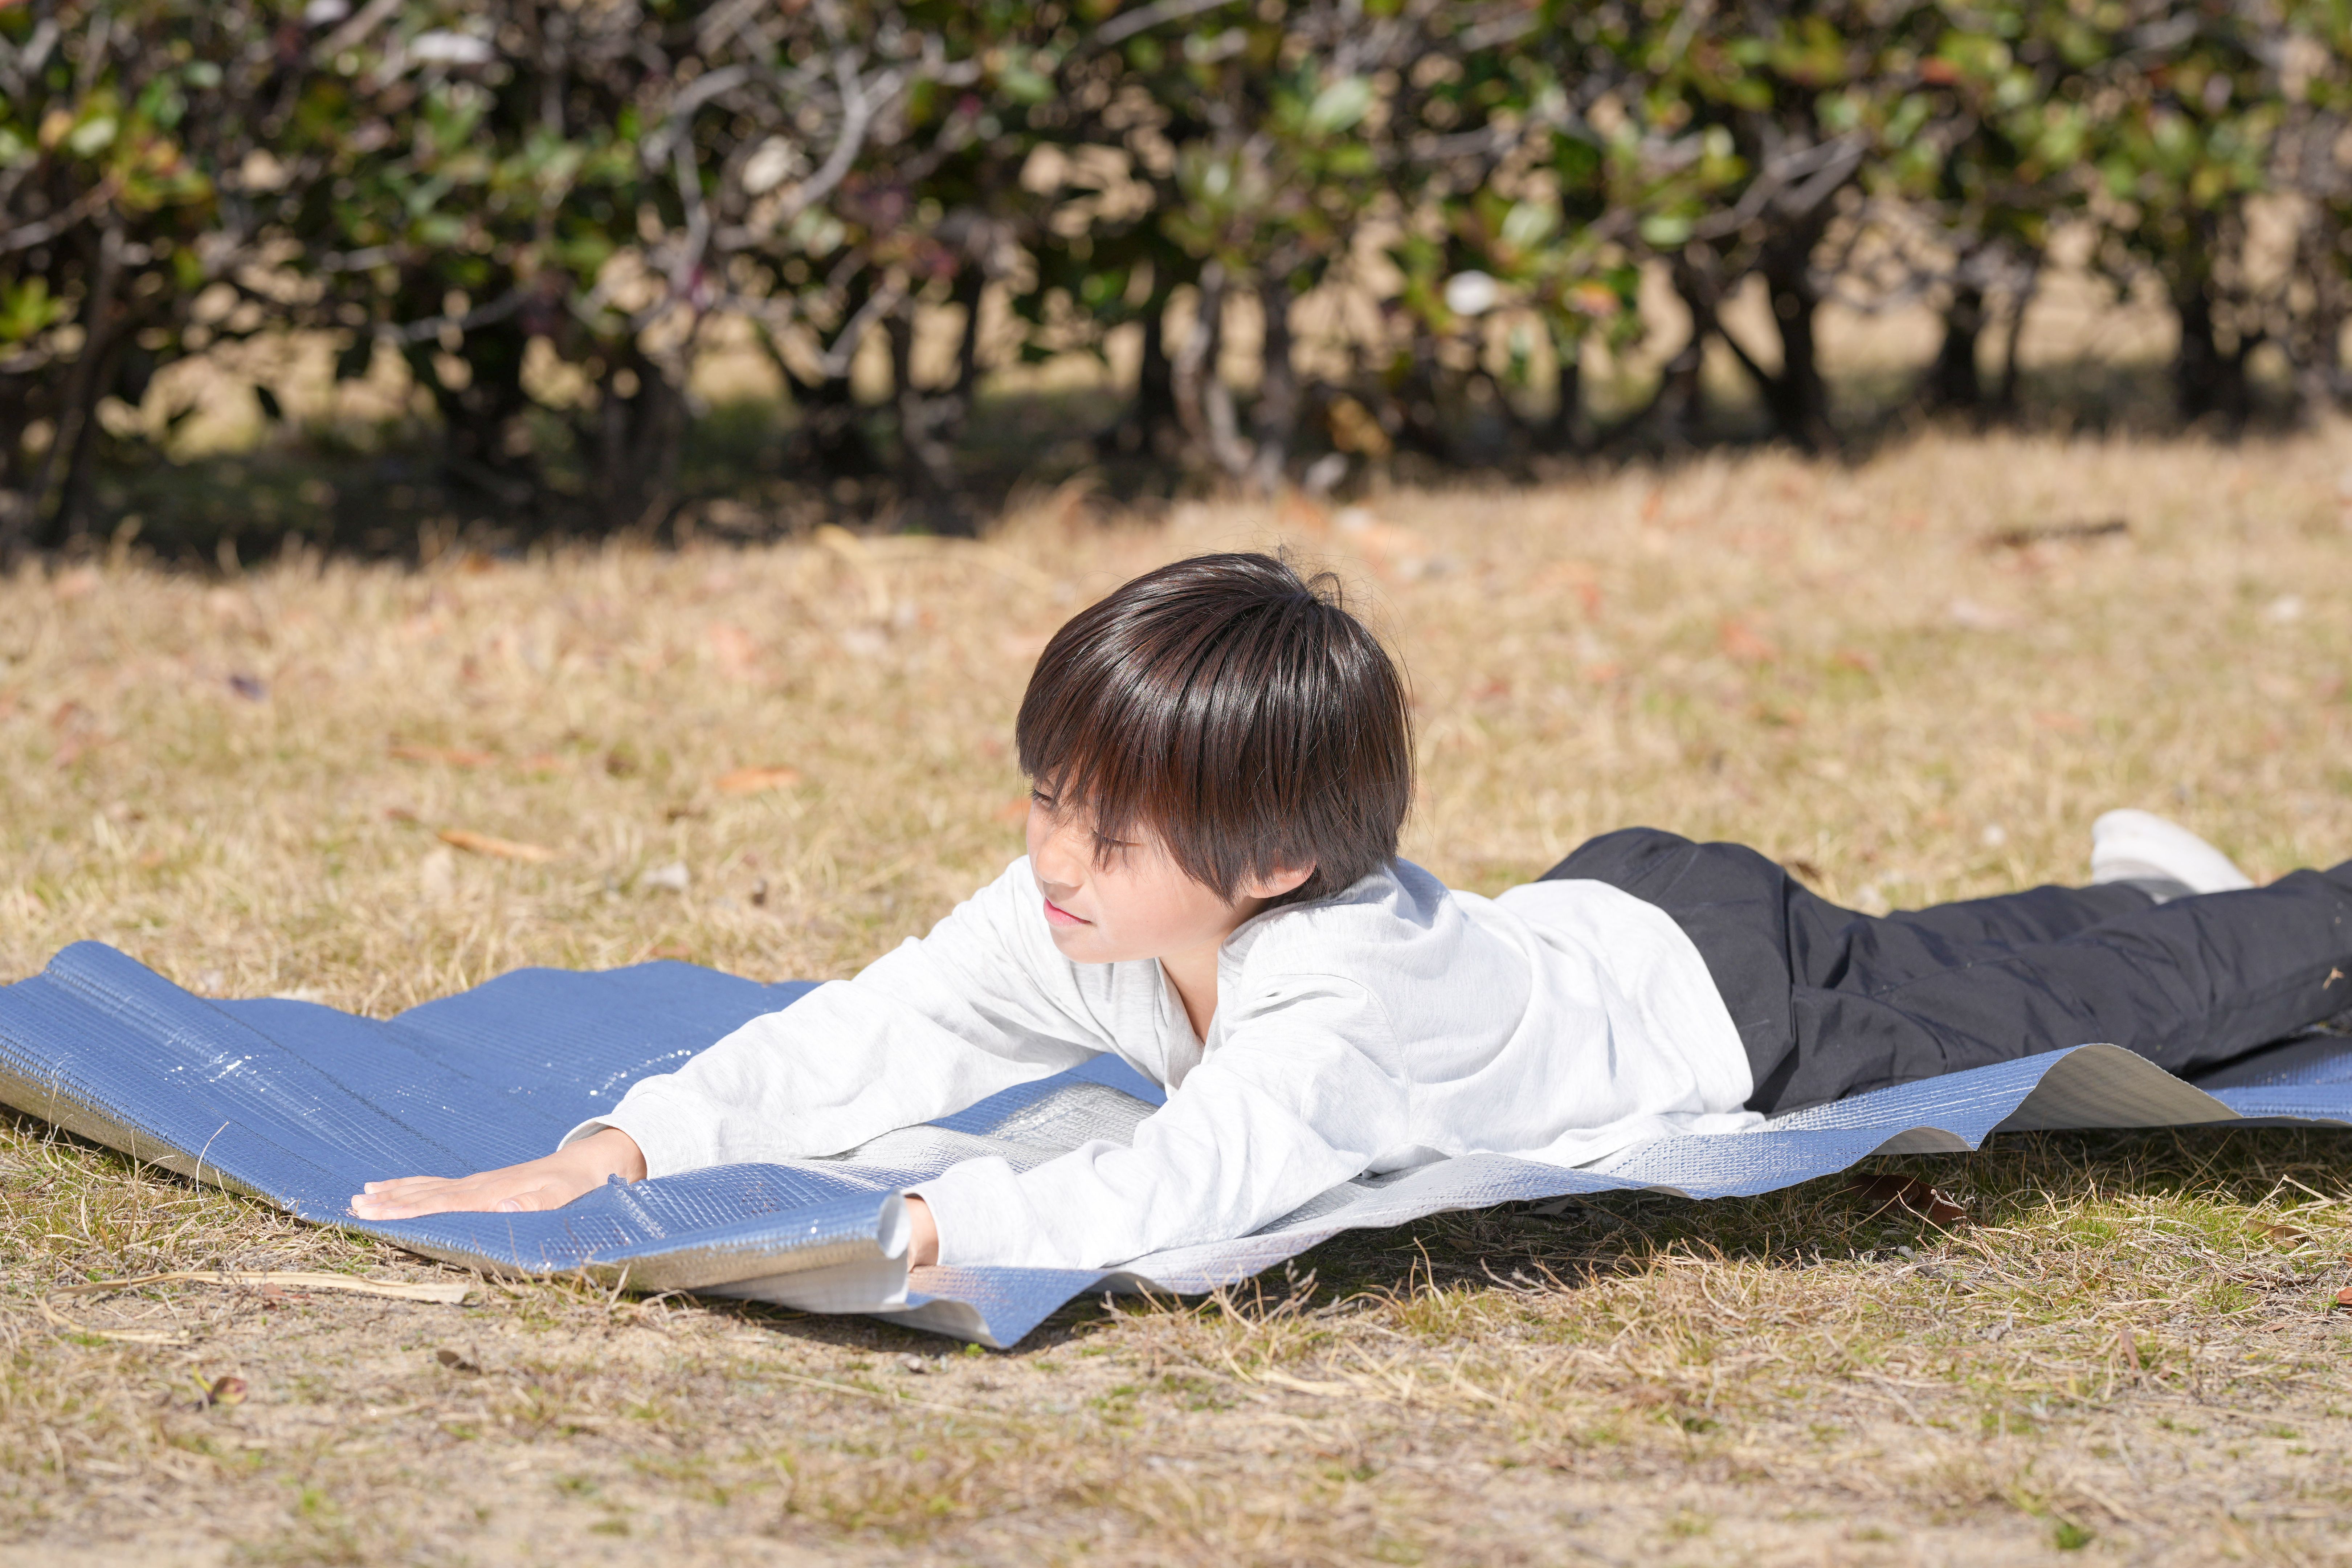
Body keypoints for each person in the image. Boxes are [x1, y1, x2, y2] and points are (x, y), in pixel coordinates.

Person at [351, 554, 2352, 1270]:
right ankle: (2129, 896)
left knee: (2125, 993)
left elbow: (1186, 1188)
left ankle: (2242, 916)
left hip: (1734, 1008)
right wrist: (626, 1145)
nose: (1054, 860)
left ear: (1278, 863)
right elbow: (876, 1030)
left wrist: (924, 1227)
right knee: (1977, 947)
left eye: (1107, 831)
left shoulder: (1330, 1014)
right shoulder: (1080, 910)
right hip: (1615, 911)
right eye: (1046, 799)